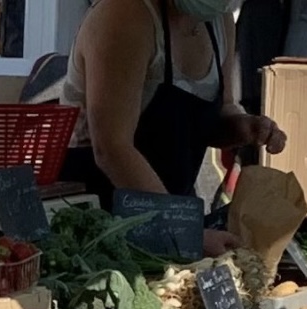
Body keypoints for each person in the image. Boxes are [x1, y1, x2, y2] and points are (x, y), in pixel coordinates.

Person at [60, 0, 287, 257]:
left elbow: (220, 111)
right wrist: (184, 230)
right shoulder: (125, 14)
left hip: (171, 207)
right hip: (99, 219)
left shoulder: (219, 22)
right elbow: (112, 148)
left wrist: (246, 127)